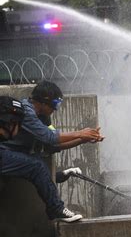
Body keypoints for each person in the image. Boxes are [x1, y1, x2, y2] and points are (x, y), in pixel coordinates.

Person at [0, 81, 104, 222]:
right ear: (43, 102)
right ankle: (56, 209)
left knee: (38, 159)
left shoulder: (41, 118)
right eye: (55, 104)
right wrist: (81, 133)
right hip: (3, 152)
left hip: (10, 154)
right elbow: (50, 137)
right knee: (36, 166)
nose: (55, 109)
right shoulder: (27, 113)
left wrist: (83, 139)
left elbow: (53, 145)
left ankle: (57, 176)